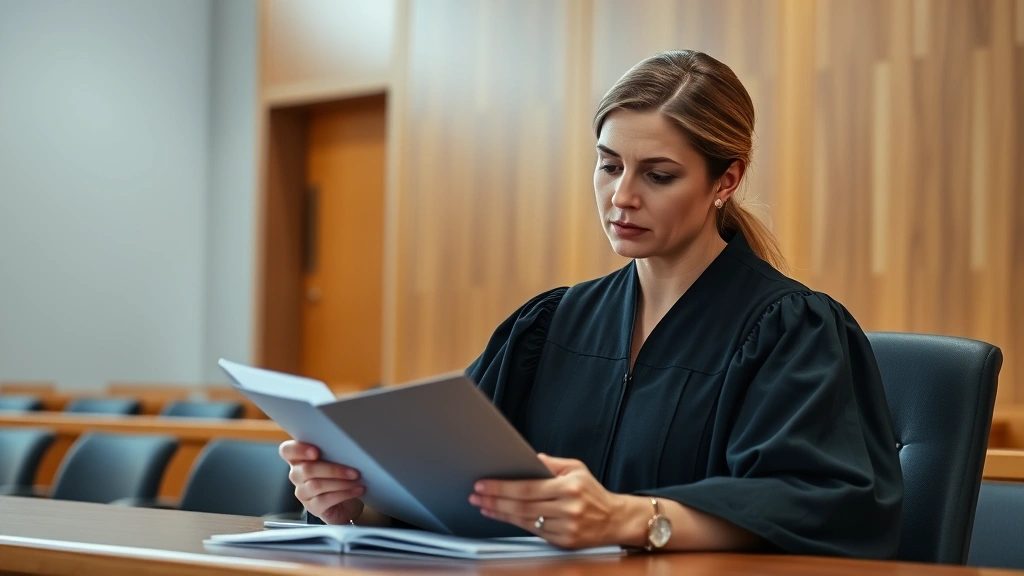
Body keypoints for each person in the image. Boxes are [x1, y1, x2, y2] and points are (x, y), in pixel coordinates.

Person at [279, 50, 903, 558]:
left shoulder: (793, 330)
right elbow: (456, 479)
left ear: (726, 180)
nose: (621, 197)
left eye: (658, 175)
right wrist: (356, 499)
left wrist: (629, 518)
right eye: (608, 167)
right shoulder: (549, 325)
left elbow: (819, 505)